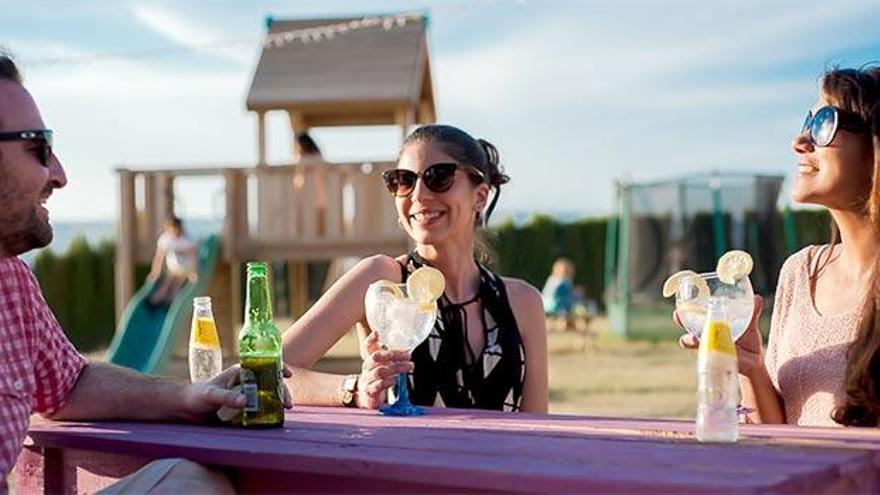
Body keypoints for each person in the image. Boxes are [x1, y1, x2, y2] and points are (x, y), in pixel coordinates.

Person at [0, 52, 290, 493]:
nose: (59, 175)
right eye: (39, 148)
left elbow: (70, 384)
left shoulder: (13, 284)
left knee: (188, 484)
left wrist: (188, 398)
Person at [282, 124, 549, 413]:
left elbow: (537, 428)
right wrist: (354, 388)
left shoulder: (523, 303)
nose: (418, 195)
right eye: (403, 181)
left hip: (501, 459)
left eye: (439, 177)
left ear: (480, 196)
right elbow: (264, 369)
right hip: (401, 458)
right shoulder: (382, 280)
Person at [677, 66, 880, 427]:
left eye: (824, 122)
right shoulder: (800, 273)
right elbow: (779, 432)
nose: (799, 141)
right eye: (808, 121)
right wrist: (751, 367)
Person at [147, 216, 197, 305]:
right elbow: (159, 258)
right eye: (171, 230)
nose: (174, 233)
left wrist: (193, 273)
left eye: (175, 230)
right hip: (172, 269)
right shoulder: (165, 240)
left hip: (185, 270)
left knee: (177, 283)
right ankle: (157, 299)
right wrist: (155, 273)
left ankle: (171, 299)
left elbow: (193, 257)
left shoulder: (187, 240)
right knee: (168, 281)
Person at [542, 257, 577, 330]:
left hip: (545, 303)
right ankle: (565, 324)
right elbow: (563, 294)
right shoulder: (563, 281)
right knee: (569, 304)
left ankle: (554, 323)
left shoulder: (552, 279)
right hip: (555, 304)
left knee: (567, 303)